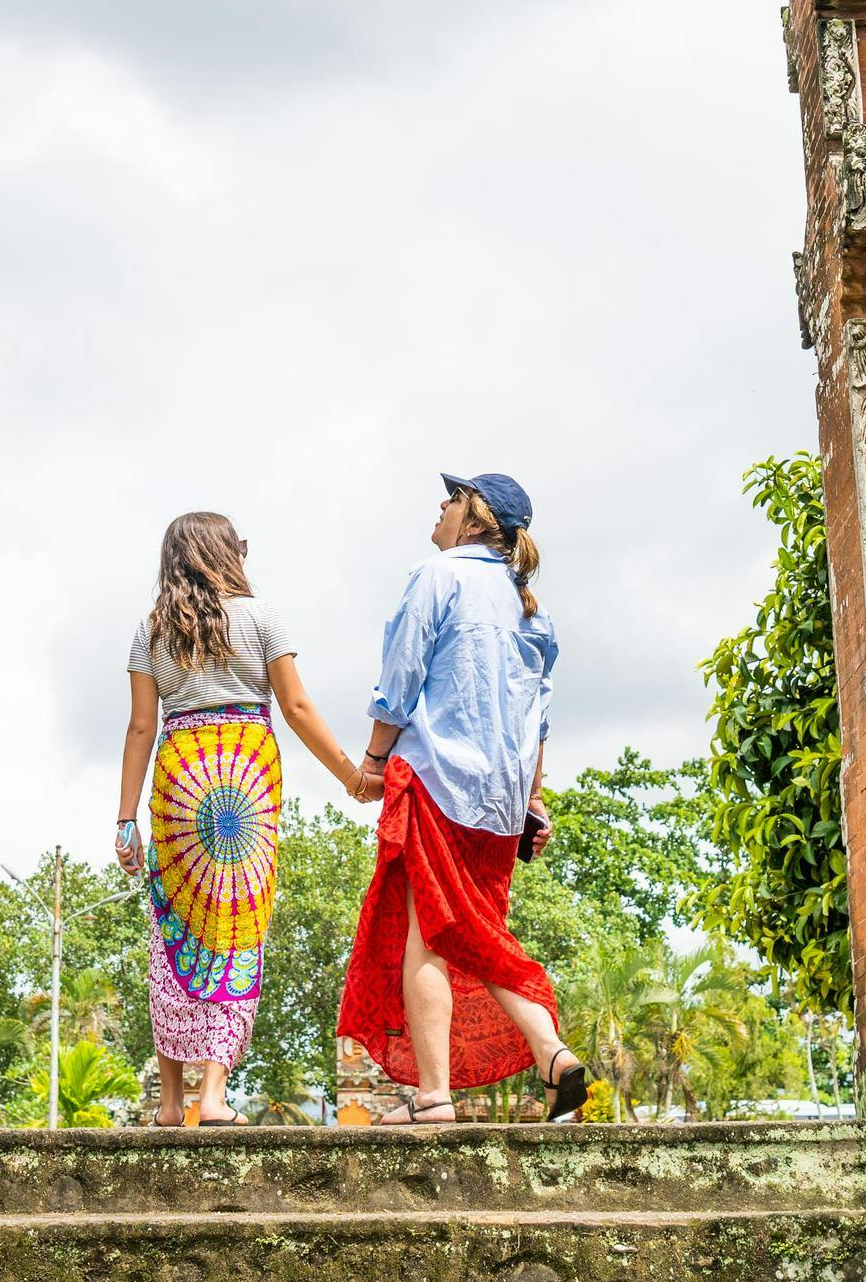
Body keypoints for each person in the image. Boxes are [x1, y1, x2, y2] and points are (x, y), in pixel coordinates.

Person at [337, 471, 590, 1125]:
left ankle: (436, 1096)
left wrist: (370, 761)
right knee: (470, 931)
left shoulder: (438, 575)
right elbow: (537, 721)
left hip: (438, 779)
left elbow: (400, 678)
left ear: (473, 522)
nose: (441, 505)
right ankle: (548, 1053)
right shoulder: (533, 609)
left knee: (431, 933)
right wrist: (533, 799)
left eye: (451, 498)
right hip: (500, 805)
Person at [114, 511, 363, 1127]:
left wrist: (125, 821)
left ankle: (171, 1103)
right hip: (245, 786)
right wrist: (352, 777)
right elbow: (297, 706)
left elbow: (142, 726)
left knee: (172, 933)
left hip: (180, 783)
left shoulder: (150, 632)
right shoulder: (261, 617)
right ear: (227, 554)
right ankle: (214, 1096)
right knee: (235, 936)